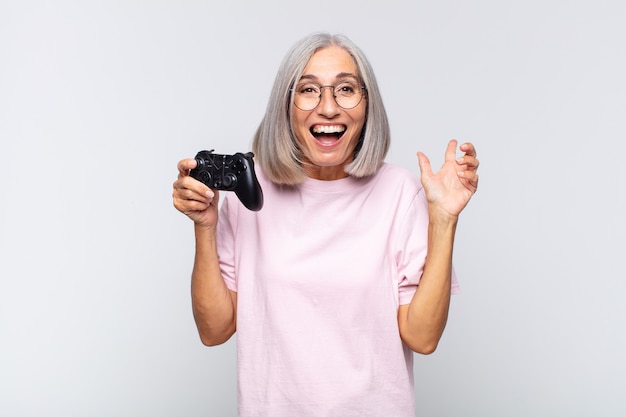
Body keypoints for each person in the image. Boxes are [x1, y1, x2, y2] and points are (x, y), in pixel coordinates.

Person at [173, 32, 479, 417]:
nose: (329, 108)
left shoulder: (400, 193)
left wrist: (444, 219)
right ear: (286, 105)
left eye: (346, 89)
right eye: (308, 90)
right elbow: (214, 330)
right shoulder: (249, 196)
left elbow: (423, 337)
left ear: (367, 106)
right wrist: (204, 225)